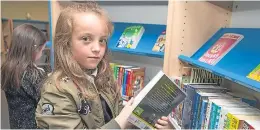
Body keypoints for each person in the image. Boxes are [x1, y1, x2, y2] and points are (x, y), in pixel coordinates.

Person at [35, 2, 173, 129]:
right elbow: (119, 122)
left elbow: (120, 119)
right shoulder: (57, 89)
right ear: (66, 43)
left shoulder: (104, 77)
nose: (97, 48)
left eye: (102, 40)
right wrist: (121, 120)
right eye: (86, 39)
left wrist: (143, 122)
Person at [1, 24, 47, 129]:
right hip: (33, 125)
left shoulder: (6, 68)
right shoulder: (33, 74)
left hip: (15, 124)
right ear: (33, 49)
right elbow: (45, 102)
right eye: (41, 50)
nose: (41, 54)